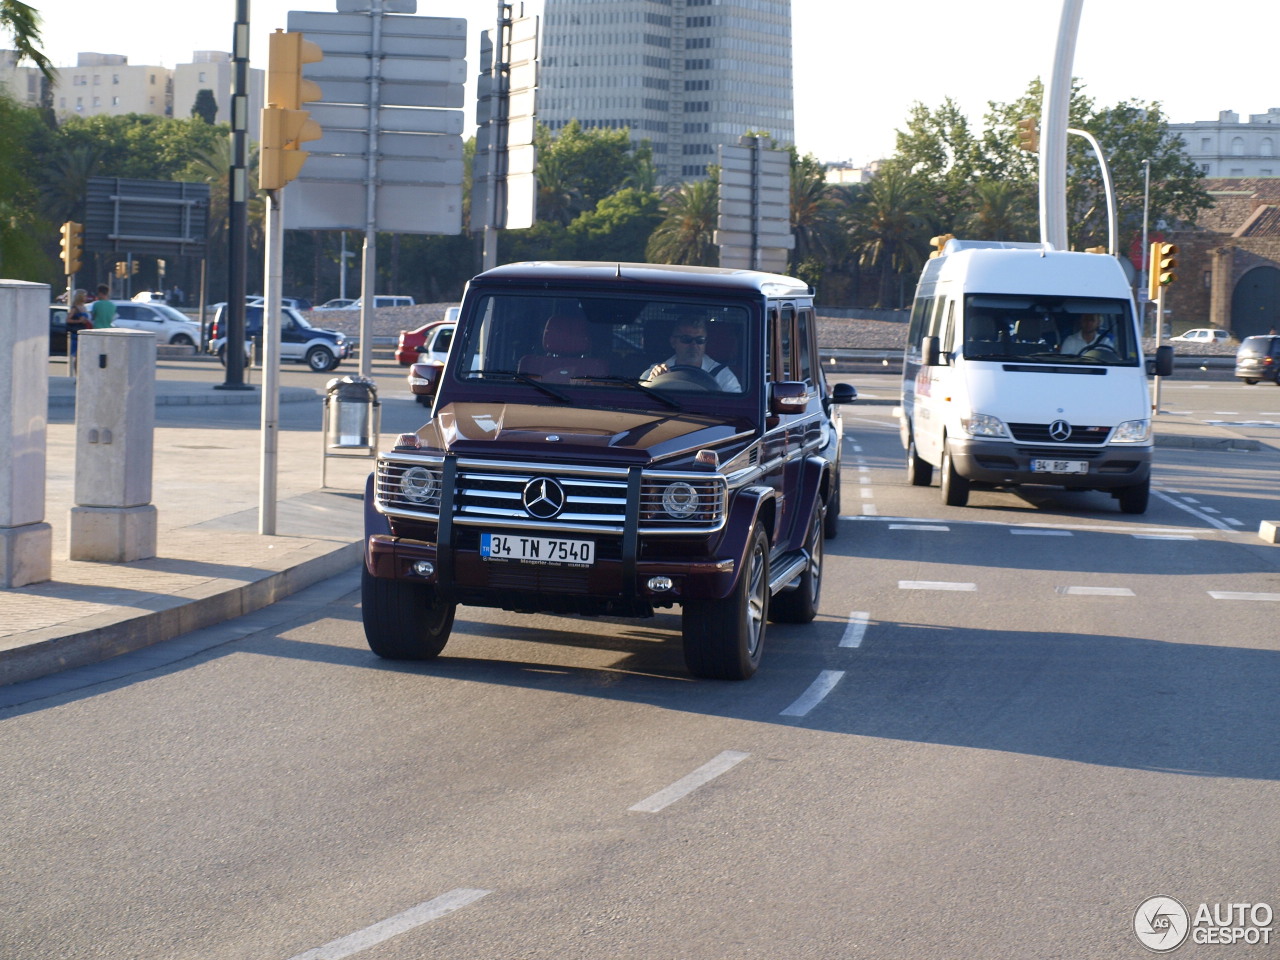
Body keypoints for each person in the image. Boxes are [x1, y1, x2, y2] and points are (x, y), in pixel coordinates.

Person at [641, 319, 741, 391]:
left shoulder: (723, 376)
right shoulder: (655, 372)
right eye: (686, 339)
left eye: (700, 340)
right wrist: (650, 383)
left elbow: (736, 408)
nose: (693, 345)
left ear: (705, 343)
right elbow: (637, 403)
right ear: (673, 342)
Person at [66, 288, 92, 361]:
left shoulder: (84, 307)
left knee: (83, 355)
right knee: (77, 356)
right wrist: (78, 321)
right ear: (80, 297)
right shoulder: (74, 308)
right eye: (84, 296)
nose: (86, 298)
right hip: (76, 333)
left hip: (84, 331)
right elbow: (68, 320)